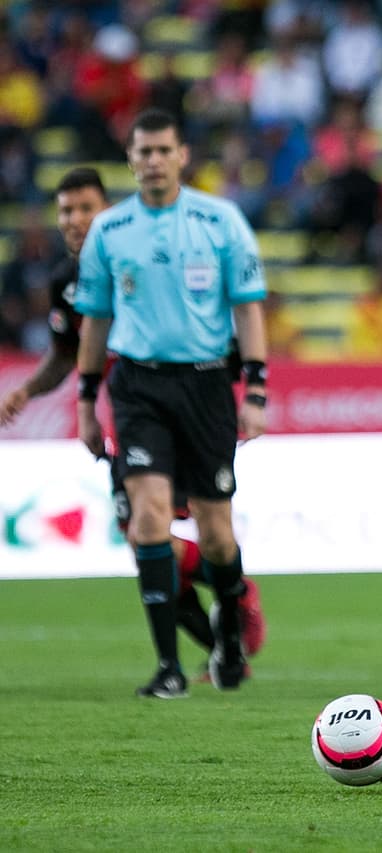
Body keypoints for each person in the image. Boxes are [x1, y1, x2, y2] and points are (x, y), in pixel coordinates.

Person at [0, 166, 267, 689]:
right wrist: (31, 393)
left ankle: (233, 597)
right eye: (65, 211)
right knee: (143, 531)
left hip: (192, 403)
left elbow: (204, 319)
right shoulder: (65, 282)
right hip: (134, 410)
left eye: (85, 209)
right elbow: (68, 355)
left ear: (110, 214)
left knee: (210, 533)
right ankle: (193, 659)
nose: (75, 221)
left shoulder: (141, 255)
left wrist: (240, 385)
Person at [73, 109, 269, 698]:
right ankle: (169, 668)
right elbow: (95, 320)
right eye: (143, 151)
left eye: (163, 150)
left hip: (207, 385)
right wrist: (86, 401)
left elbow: (248, 308)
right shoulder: (109, 231)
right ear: (130, 159)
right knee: (149, 519)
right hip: (137, 386)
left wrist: (254, 391)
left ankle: (229, 638)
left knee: (215, 535)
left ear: (182, 154)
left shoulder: (221, 220)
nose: (153, 160)